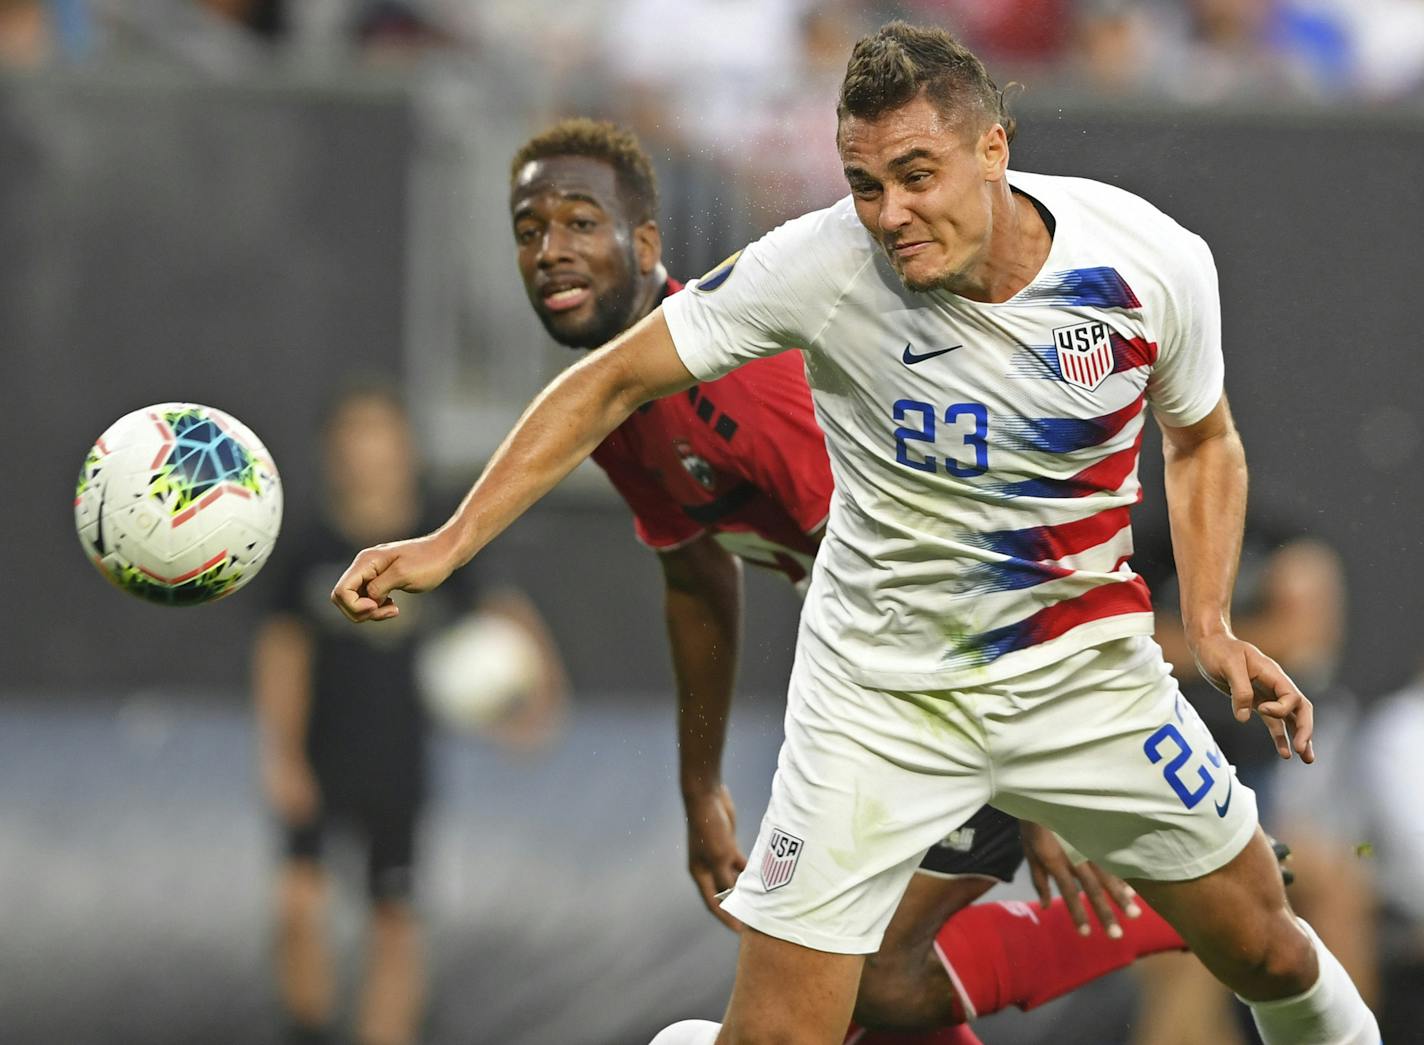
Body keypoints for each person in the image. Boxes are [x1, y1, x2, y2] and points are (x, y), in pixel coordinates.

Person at [332, 22, 1378, 1045]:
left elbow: (1201, 441)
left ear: (991, 149)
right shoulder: (816, 266)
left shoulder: (1148, 262)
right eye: (863, 183)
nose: (887, 214)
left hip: (1078, 675)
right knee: (824, 1016)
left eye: (915, 175)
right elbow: (609, 383)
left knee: (1269, 953)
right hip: (876, 702)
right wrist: (446, 543)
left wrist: (1207, 623)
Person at [500, 115, 1245, 1044]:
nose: (551, 251)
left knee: (868, 979)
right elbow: (698, 585)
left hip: (979, 673)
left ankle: (1181, 912)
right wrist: (699, 785)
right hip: (905, 687)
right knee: (879, 988)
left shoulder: (747, 393)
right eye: (529, 231)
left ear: (645, 243)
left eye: (579, 223)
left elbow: (954, 576)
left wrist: (1045, 786)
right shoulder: (623, 402)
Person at [254, 383, 565, 1045]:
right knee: (297, 904)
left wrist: (540, 700)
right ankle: (306, 1031)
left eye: (379, 441)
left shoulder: (433, 540)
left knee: (394, 920)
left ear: (404, 451)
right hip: (320, 757)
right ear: (332, 455)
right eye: (351, 443)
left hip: (398, 763)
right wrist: (280, 756)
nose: (365, 457)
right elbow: (282, 652)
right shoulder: (309, 546)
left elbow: (504, 613)